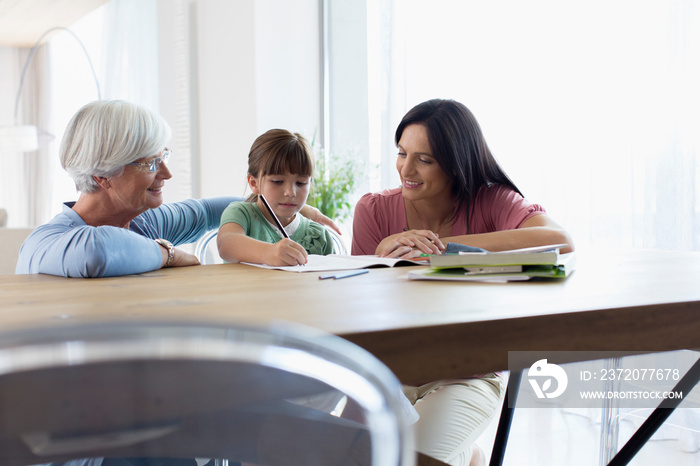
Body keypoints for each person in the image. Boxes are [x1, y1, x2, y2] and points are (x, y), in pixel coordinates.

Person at [351, 99, 575, 466]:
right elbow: (354, 306)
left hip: (467, 372)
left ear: (455, 164)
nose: (406, 169)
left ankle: (461, 453)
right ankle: (467, 456)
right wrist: (379, 257)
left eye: (424, 159)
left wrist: (445, 249)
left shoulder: (491, 202)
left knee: (410, 462)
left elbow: (559, 239)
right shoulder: (373, 211)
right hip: (392, 371)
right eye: (402, 153)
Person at [15, 100, 336, 278]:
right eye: (150, 164)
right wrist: (166, 254)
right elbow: (95, 251)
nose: (166, 173)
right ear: (103, 175)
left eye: (163, 157)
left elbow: (216, 209)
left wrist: (284, 206)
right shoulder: (45, 243)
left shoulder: (141, 221)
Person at [217, 129, 334, 266]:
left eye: (301, 183)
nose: (290, 192)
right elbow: (226, 244)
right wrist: (267, 252)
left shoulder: (319, 236)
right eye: (278, 181)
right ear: (254, 183)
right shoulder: (241, 213)